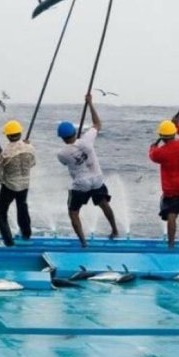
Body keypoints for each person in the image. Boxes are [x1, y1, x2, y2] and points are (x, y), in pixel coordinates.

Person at [56, 95, 119, 247]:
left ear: (62, 138)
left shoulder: (62, 153)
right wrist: (90, 103)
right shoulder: (87, 140)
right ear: (74, 132)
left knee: (73, 212)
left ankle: (83, 243)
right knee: (104, 204)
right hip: (97, 179)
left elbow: (67, 163)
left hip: (81, 184)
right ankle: (115, 230)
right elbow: (97, 123)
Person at [149, 116, 179, 248]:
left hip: (172, 190)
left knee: (172, 215)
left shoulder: (160, 153)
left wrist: (153, 147)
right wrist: (178, 126)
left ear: (162, 136)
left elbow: (152, 155)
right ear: (173, 133)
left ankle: (171, 244)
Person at [0, 120, 36, 246]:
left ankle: (8, 241)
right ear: (20, 133)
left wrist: (3, 181)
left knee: (0, 214)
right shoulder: (30, 147)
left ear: (7, 135)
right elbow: (33, 163)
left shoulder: (4, 153)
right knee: (22, 208)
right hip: (25, 184)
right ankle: (26, 234)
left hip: (10, 186)